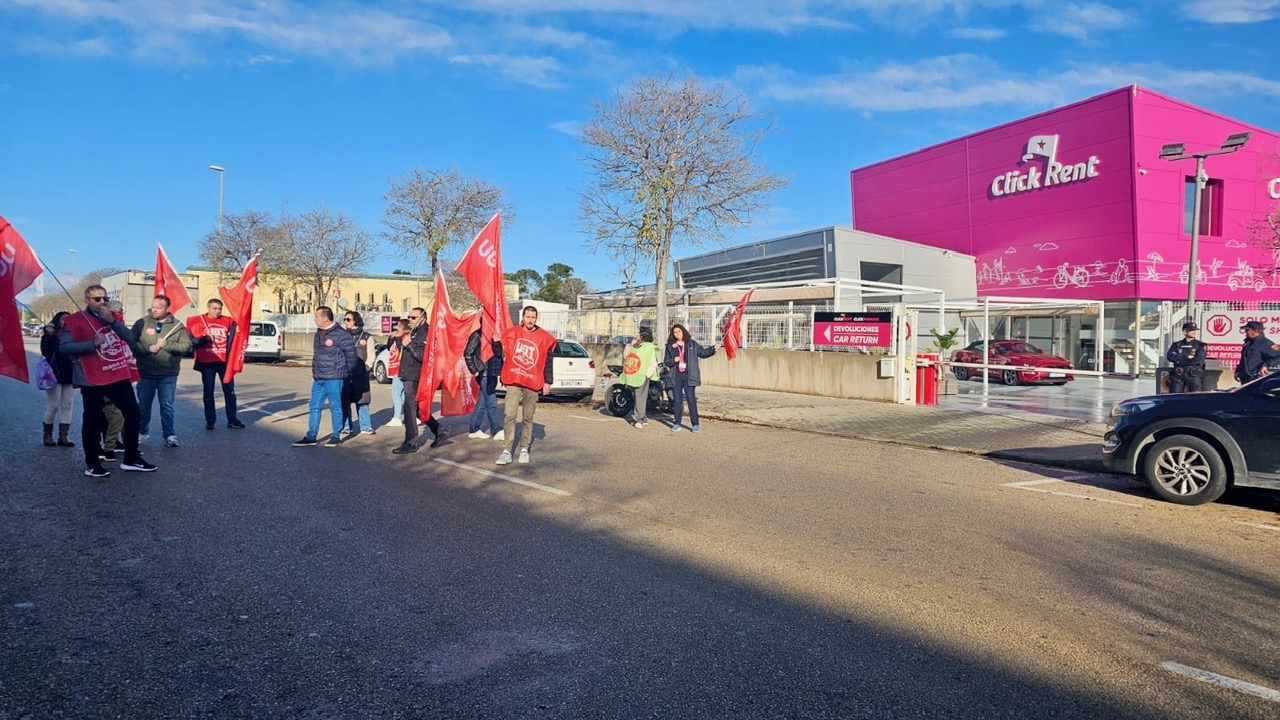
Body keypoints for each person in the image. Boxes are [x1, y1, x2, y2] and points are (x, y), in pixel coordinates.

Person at [59, 284, 156, 477]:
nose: (102, 302)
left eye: (105, 299)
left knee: (133, 412)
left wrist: (112, 321)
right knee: (93, 420)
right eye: (97, 299)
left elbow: (129, 337)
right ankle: (93, 464)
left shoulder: (113, 317)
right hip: (91, 376)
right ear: (87, 300)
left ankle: (131, 458)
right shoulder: (75, 321)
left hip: (116, 373)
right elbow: (64, 347)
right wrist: (91, 344)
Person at [496, 305, 556, 465]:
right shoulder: (512, 333)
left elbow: (548, 360)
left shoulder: (544, 337)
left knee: (528, 417)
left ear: (537, 318)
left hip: (533, 381)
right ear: (523, 317)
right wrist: (496, 341)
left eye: (533, 317)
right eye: (527, 317)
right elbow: (500, 352)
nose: (530, 320)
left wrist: (548, 381)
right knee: (510, 414)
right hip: (514, 379)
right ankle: (507, 450)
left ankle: (524, 448)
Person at [130, 295, 192, 447]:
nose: (154, 310)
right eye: (153, 307)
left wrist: (167, 345)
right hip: (145, 373)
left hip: (168, 374)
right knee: (143, 405)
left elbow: (186, 347)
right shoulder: (142, 323)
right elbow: (131, 343)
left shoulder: (177, 326)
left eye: (159, 308)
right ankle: (142, 431)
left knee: (167, 405)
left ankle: (169, 435)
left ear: (167, 308)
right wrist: (146, 349)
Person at [292, 306, 356, 448]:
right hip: (319, 377)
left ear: (325, 318)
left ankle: (335, 435)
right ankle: (311, 436)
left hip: (335, 377)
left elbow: (352, 357)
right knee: (314, 406)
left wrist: (344, 373)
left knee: (335, 406)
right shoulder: (318, 333)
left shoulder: (342, 334)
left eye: (317, 316)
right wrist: (315, 371)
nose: (314, 319)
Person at [392, 307, 447, 454]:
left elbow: (424, 356)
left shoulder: (426, 332)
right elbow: (403, 350)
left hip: (416, 375)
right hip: (408, 373)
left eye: (413, 317)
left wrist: (409, 344)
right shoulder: (414, 331)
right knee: (417, 409)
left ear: (422, 318)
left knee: (410, 408)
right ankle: (439, 430)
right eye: (409, 317)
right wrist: (399, 339)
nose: (409, 320)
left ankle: (410, 443)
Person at [187, 298, 245, 430]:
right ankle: (210, 420)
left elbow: (240, 326)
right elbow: (191, 341)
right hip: (207, 361)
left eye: (219, 309)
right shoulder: (198, 320)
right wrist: (204, 338)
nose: (217, 311)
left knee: (229, 390)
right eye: (215, 308)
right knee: (208, 391)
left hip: (224, 361)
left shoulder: (227, 321)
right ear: (208, 308)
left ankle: (232, 419)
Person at [663, 323, 717, 433]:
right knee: (677, 401)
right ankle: (677, 423)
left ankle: (695, 424)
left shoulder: (692, 344)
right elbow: (667, 362)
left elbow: (703, 353)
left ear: (683, 332)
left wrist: (713, 349)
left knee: (691, 400)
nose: (677, 333)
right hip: (676, 377)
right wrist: (674, 360)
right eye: (675, 332)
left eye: (679, 331)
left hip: (689, 377)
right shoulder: (670, 346)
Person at [39, 311, 77, 448]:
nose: (66, 322)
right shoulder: (51, 334)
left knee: (68, 405)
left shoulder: (75, 334)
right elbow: (45, 351)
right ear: (57, 321)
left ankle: (64, 436)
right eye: (63, 319)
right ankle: (47, 434)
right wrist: (49, 336)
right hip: (54, 374)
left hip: (71, 373)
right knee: (53, 405)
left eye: (69, 319)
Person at [464, 318, 504, 440]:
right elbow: (467, 353)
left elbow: (499, 355)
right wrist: (474, 370)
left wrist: (497, 342)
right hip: (484, 372)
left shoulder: (495, 336)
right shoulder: (477, 335)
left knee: (482, 401)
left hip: (493, 372)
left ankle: (474, 428)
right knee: (491, 402)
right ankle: (496, 430)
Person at [340, 311, 375, 436]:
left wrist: (366, 367)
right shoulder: (342, 336)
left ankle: (366, 426)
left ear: (355, 320)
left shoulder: (367, 337)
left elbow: (371, 355)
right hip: (345, 373)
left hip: (361, 374)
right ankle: (346, 426)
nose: (345, 322)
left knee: (363, 400)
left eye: (348, 319)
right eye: (344, 319)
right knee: (345, 400)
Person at [620, 327, 660, 428]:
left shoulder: (649, 347)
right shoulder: (635, 345)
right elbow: (626, 356)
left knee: (640, 397)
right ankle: (643, 418)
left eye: (639, 333)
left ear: (643, 335)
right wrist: (630, 345)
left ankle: (639, 420)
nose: (637, 334)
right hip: (633, 375)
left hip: (643, 376)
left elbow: (653, 362)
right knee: (636, 397)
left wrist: (647, 374)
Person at [1165, 321, 1206, 393]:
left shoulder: (1200, 345)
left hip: (1193, 375)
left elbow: (1198, 359)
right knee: (1174, 396)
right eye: (1191, 330)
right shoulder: (1177, 345)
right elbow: (1170, 356)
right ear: (1185, 332)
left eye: (1195, 330)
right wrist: (1187, 358)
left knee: (1195, 398)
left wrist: (1180, 358)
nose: (1194, 332)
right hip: (1178, 374)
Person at [1234, 320, 1280, 384]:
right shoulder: (1248, 343)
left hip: (1256, 379)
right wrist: (1238, 371)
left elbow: (1278, 357)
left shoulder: (1266, 343)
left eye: (1247, 330)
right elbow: (1244, 360)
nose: (1245, 332)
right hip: (1245, 378)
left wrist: (1266, 365)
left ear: (1255, 331)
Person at [384, 318, 410, 427]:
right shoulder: (397, 337)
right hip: (396, 368)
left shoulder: (406, 337)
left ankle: (397, 417)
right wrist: (391, 338)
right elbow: (390, 348)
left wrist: (398, 338)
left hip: (401, 368)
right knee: (402, 393)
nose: (397, 328)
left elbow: (401, 349)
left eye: (399, 326)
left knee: (396, 393)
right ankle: (408, 415)